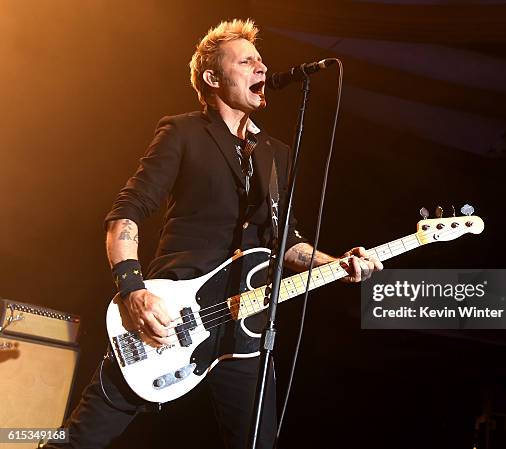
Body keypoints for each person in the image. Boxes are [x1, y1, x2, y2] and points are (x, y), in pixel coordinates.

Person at [45, 18, 382, 449]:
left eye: (262, 60)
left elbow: (287, 244)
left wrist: (337, 264)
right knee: (80, 439)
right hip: (170, 312)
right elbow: (126, 214)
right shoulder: (183, 132)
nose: (262, 68)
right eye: (247, 61)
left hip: (246, 321)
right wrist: (133, 291)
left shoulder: (276, 155)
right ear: (212, 77)